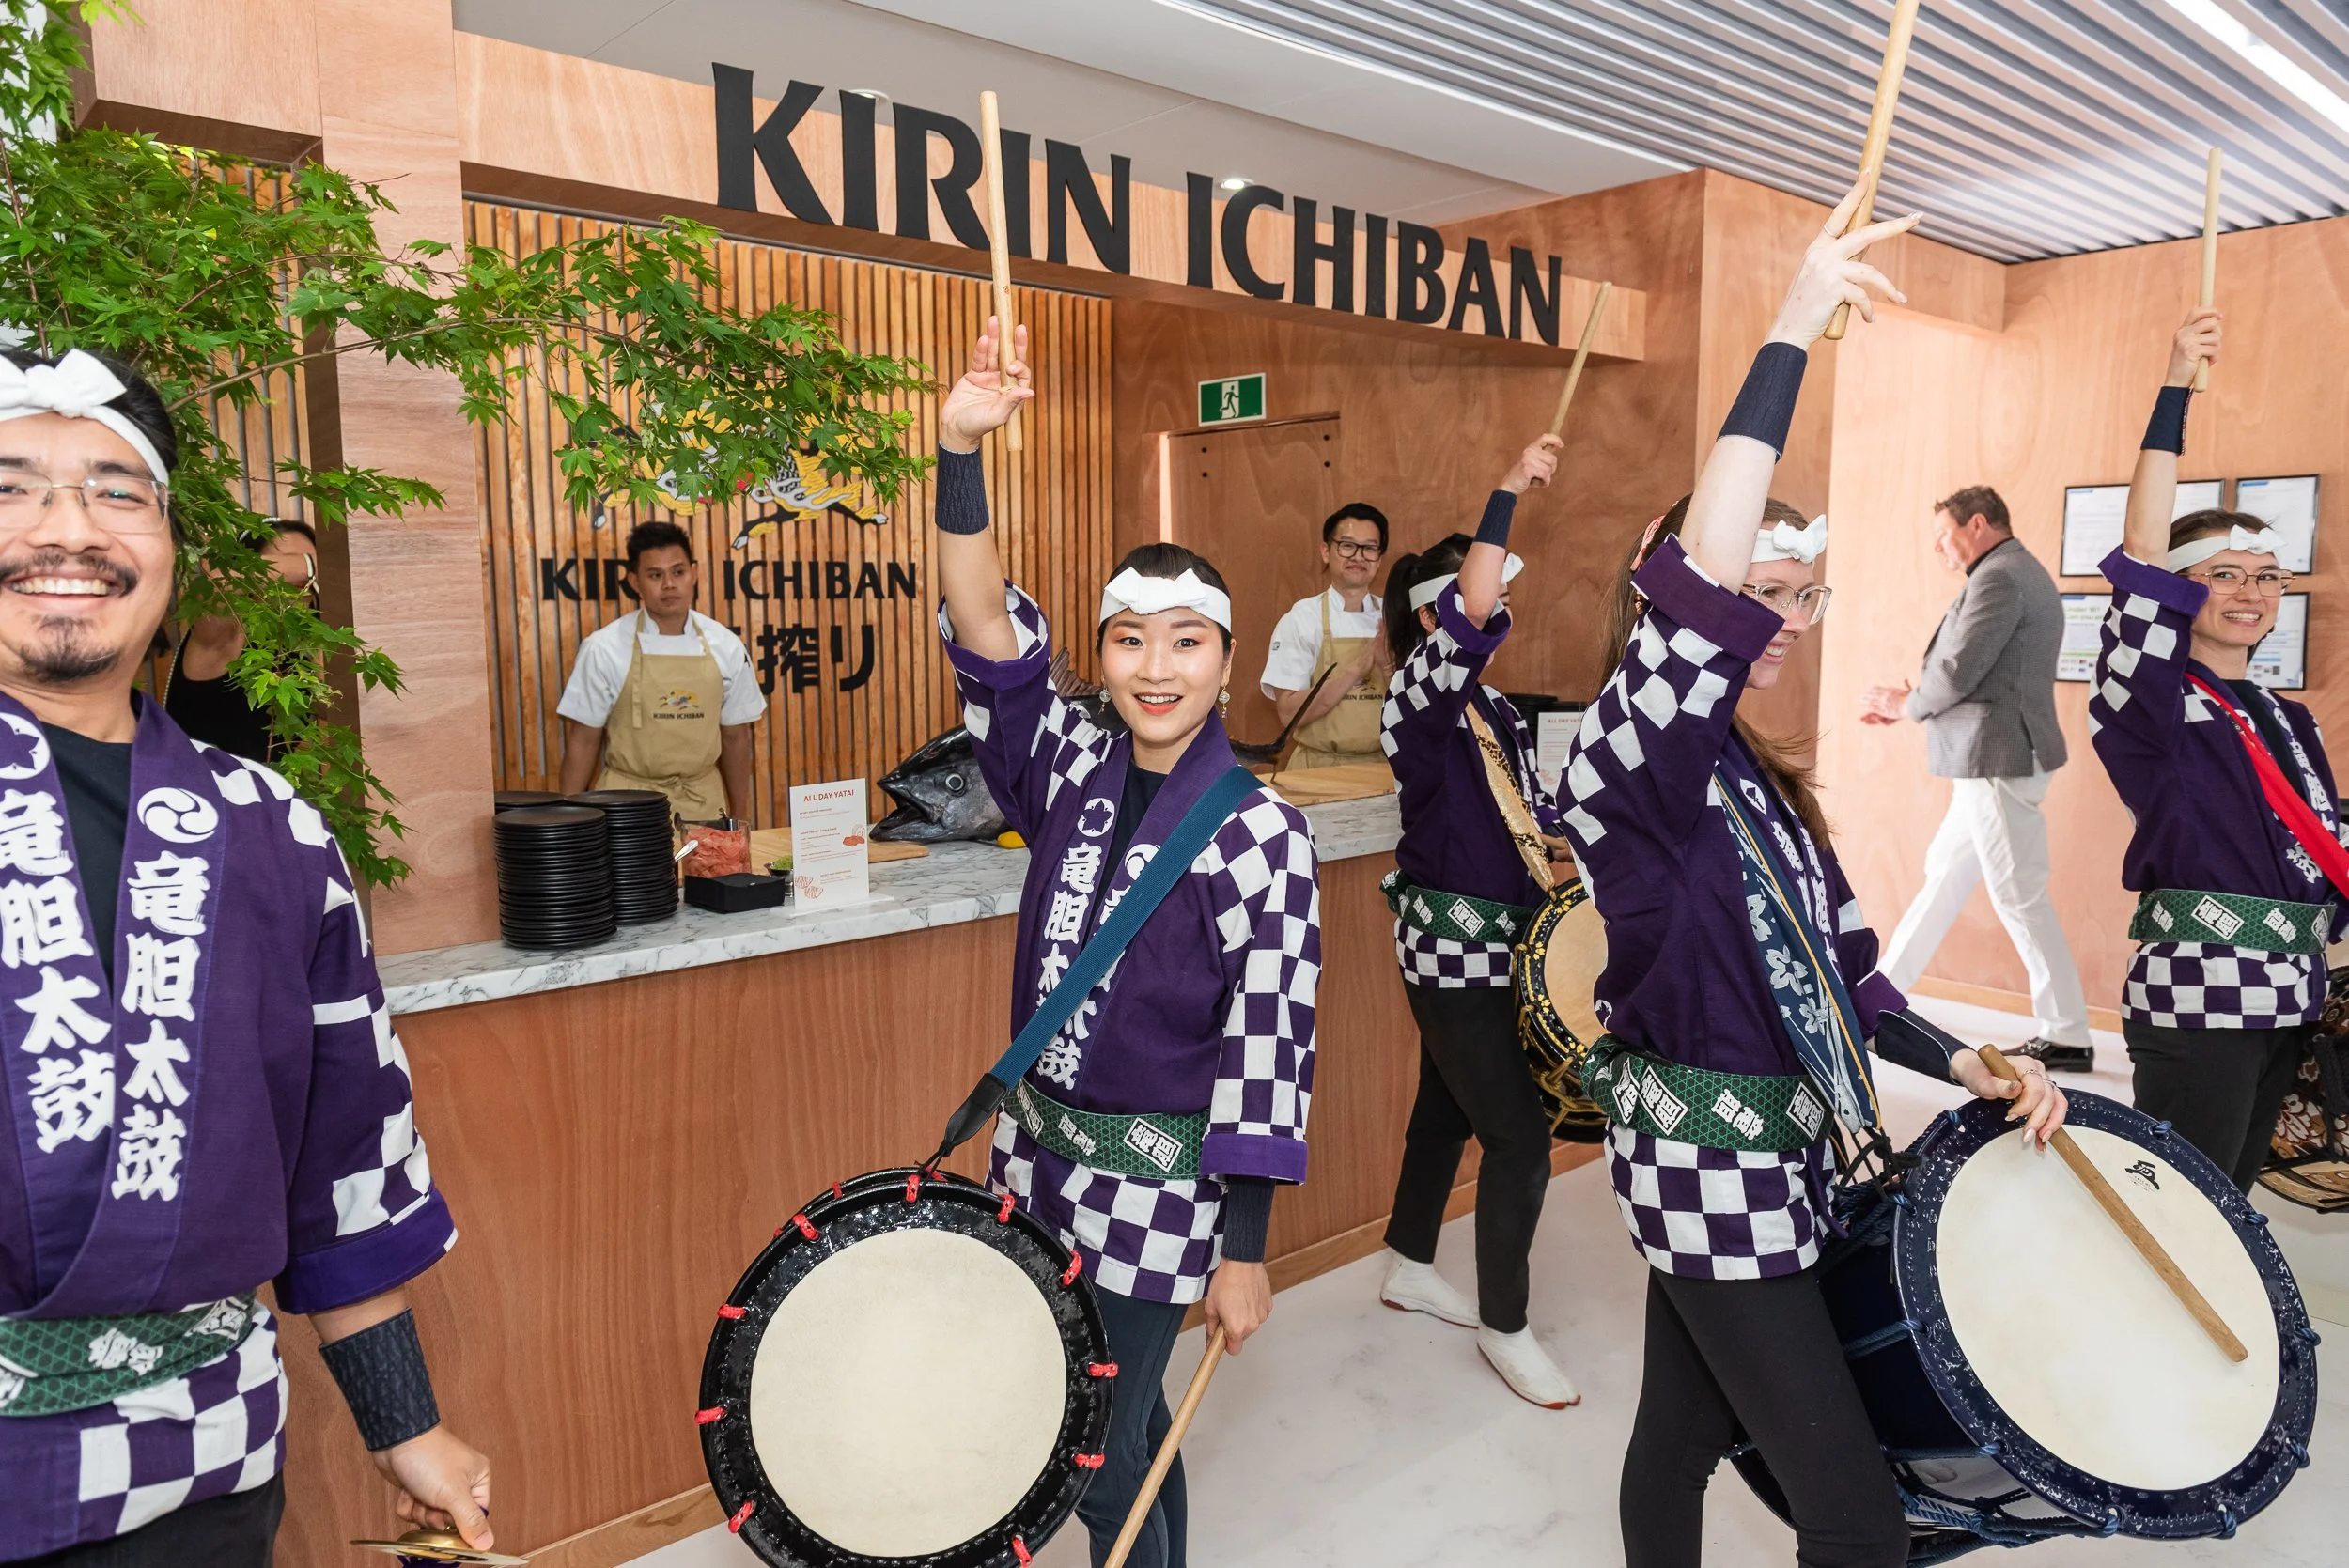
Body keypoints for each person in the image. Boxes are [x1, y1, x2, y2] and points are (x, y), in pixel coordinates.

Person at [1557, 187, 2067, 1568]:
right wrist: (1789, 331)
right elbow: (1703, 588)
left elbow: (1853, 973)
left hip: (1789, 1153)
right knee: (1859, 1520)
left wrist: (1969, 1061)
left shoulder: (1761, 782)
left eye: (1805, 596)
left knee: (1677, 1434)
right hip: (1707, 1160)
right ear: (1684, 608)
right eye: (1762, 595)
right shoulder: (1630, 758)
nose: (1782, 624)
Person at [0, 349, 491, 1564]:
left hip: (202, 1462)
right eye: (12, 487)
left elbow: (345, 1166)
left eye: (119, 491)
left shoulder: (275, 833)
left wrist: (404, 1423)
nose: (69, 528)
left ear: (170, 553)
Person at [932, 318, 1319, 1568]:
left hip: (1162, 1190)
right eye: (1132, 639)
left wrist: (1247, 1251)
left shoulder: (1263, 833)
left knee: (1090, 1454)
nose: (1157, 667)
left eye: (1186, 642)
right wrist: (958, 451)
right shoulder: (1064, 765)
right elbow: (988, 637)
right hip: (1033, 1163)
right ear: (1101, 655)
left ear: (1226, 660)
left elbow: (1271, 1049)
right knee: (1125, 1423)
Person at [2089, 305, 2349, 1191]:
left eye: (2267, 575)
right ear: (2178, 591)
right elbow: (2138, 553)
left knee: (2232, 1211)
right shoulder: (2147, 703)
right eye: (2222, 574)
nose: (2251, 591)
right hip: (2202, 998)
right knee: (2186, 1213)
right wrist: (2173, 389)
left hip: (2291, 996)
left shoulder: (2290, 715)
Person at [1372, 434, 1584, 1409]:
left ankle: (1408, 1260)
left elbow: (1528, 813)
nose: (1503, 606)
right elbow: (1470, 612)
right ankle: (1507, 1326)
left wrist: (1562, 848)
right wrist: (1504, 489)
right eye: (1479, 595)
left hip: (1510, 944)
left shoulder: (1493, 710)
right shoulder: (1417, 696)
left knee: (1444, 1107)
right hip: (1449, 951)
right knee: (1520, 1139)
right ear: (1431, 613)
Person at [1860, 486, 2094, 1069]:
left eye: (1944, 535)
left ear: (1978, 524)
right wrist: (1913, 700)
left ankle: (2066, 1031)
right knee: (1944, 877)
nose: (1939, 549)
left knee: (2021, 895)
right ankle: (1876, 1002)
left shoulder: (2001, 576)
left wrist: (1904, 705)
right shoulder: (2011, 571)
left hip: (1997, 756)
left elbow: (1961, 668)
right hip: (1987, 759)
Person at [556, 520, 761, 822]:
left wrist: (739, 820)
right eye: (655, 575)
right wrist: (568, 824)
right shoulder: (604, 648)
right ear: (635, 581)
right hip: (626, 809)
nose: (669, 585)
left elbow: (735, 737)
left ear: (694, 573)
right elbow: (583, 741)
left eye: (678, 572)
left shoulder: (727, 646)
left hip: (703, 808)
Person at [162, 518, 319, 763]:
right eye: (285, 563)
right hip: (196, 793)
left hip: (267, 796)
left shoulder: (309, 646)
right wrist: (313, 563)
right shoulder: (228, 635)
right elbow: (218, 579)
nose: (303, 579)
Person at [1259, 503, 1391, 768]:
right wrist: (1355, 669)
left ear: (1380, 559)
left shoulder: (1394, 618)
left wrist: (1388, 667)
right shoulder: (1301, 620)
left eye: (1369, 548)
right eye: (1347, 545)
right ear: (1326, 551)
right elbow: (1288, 713)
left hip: (1386, 769)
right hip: (1319, 769)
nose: (1358, 556)